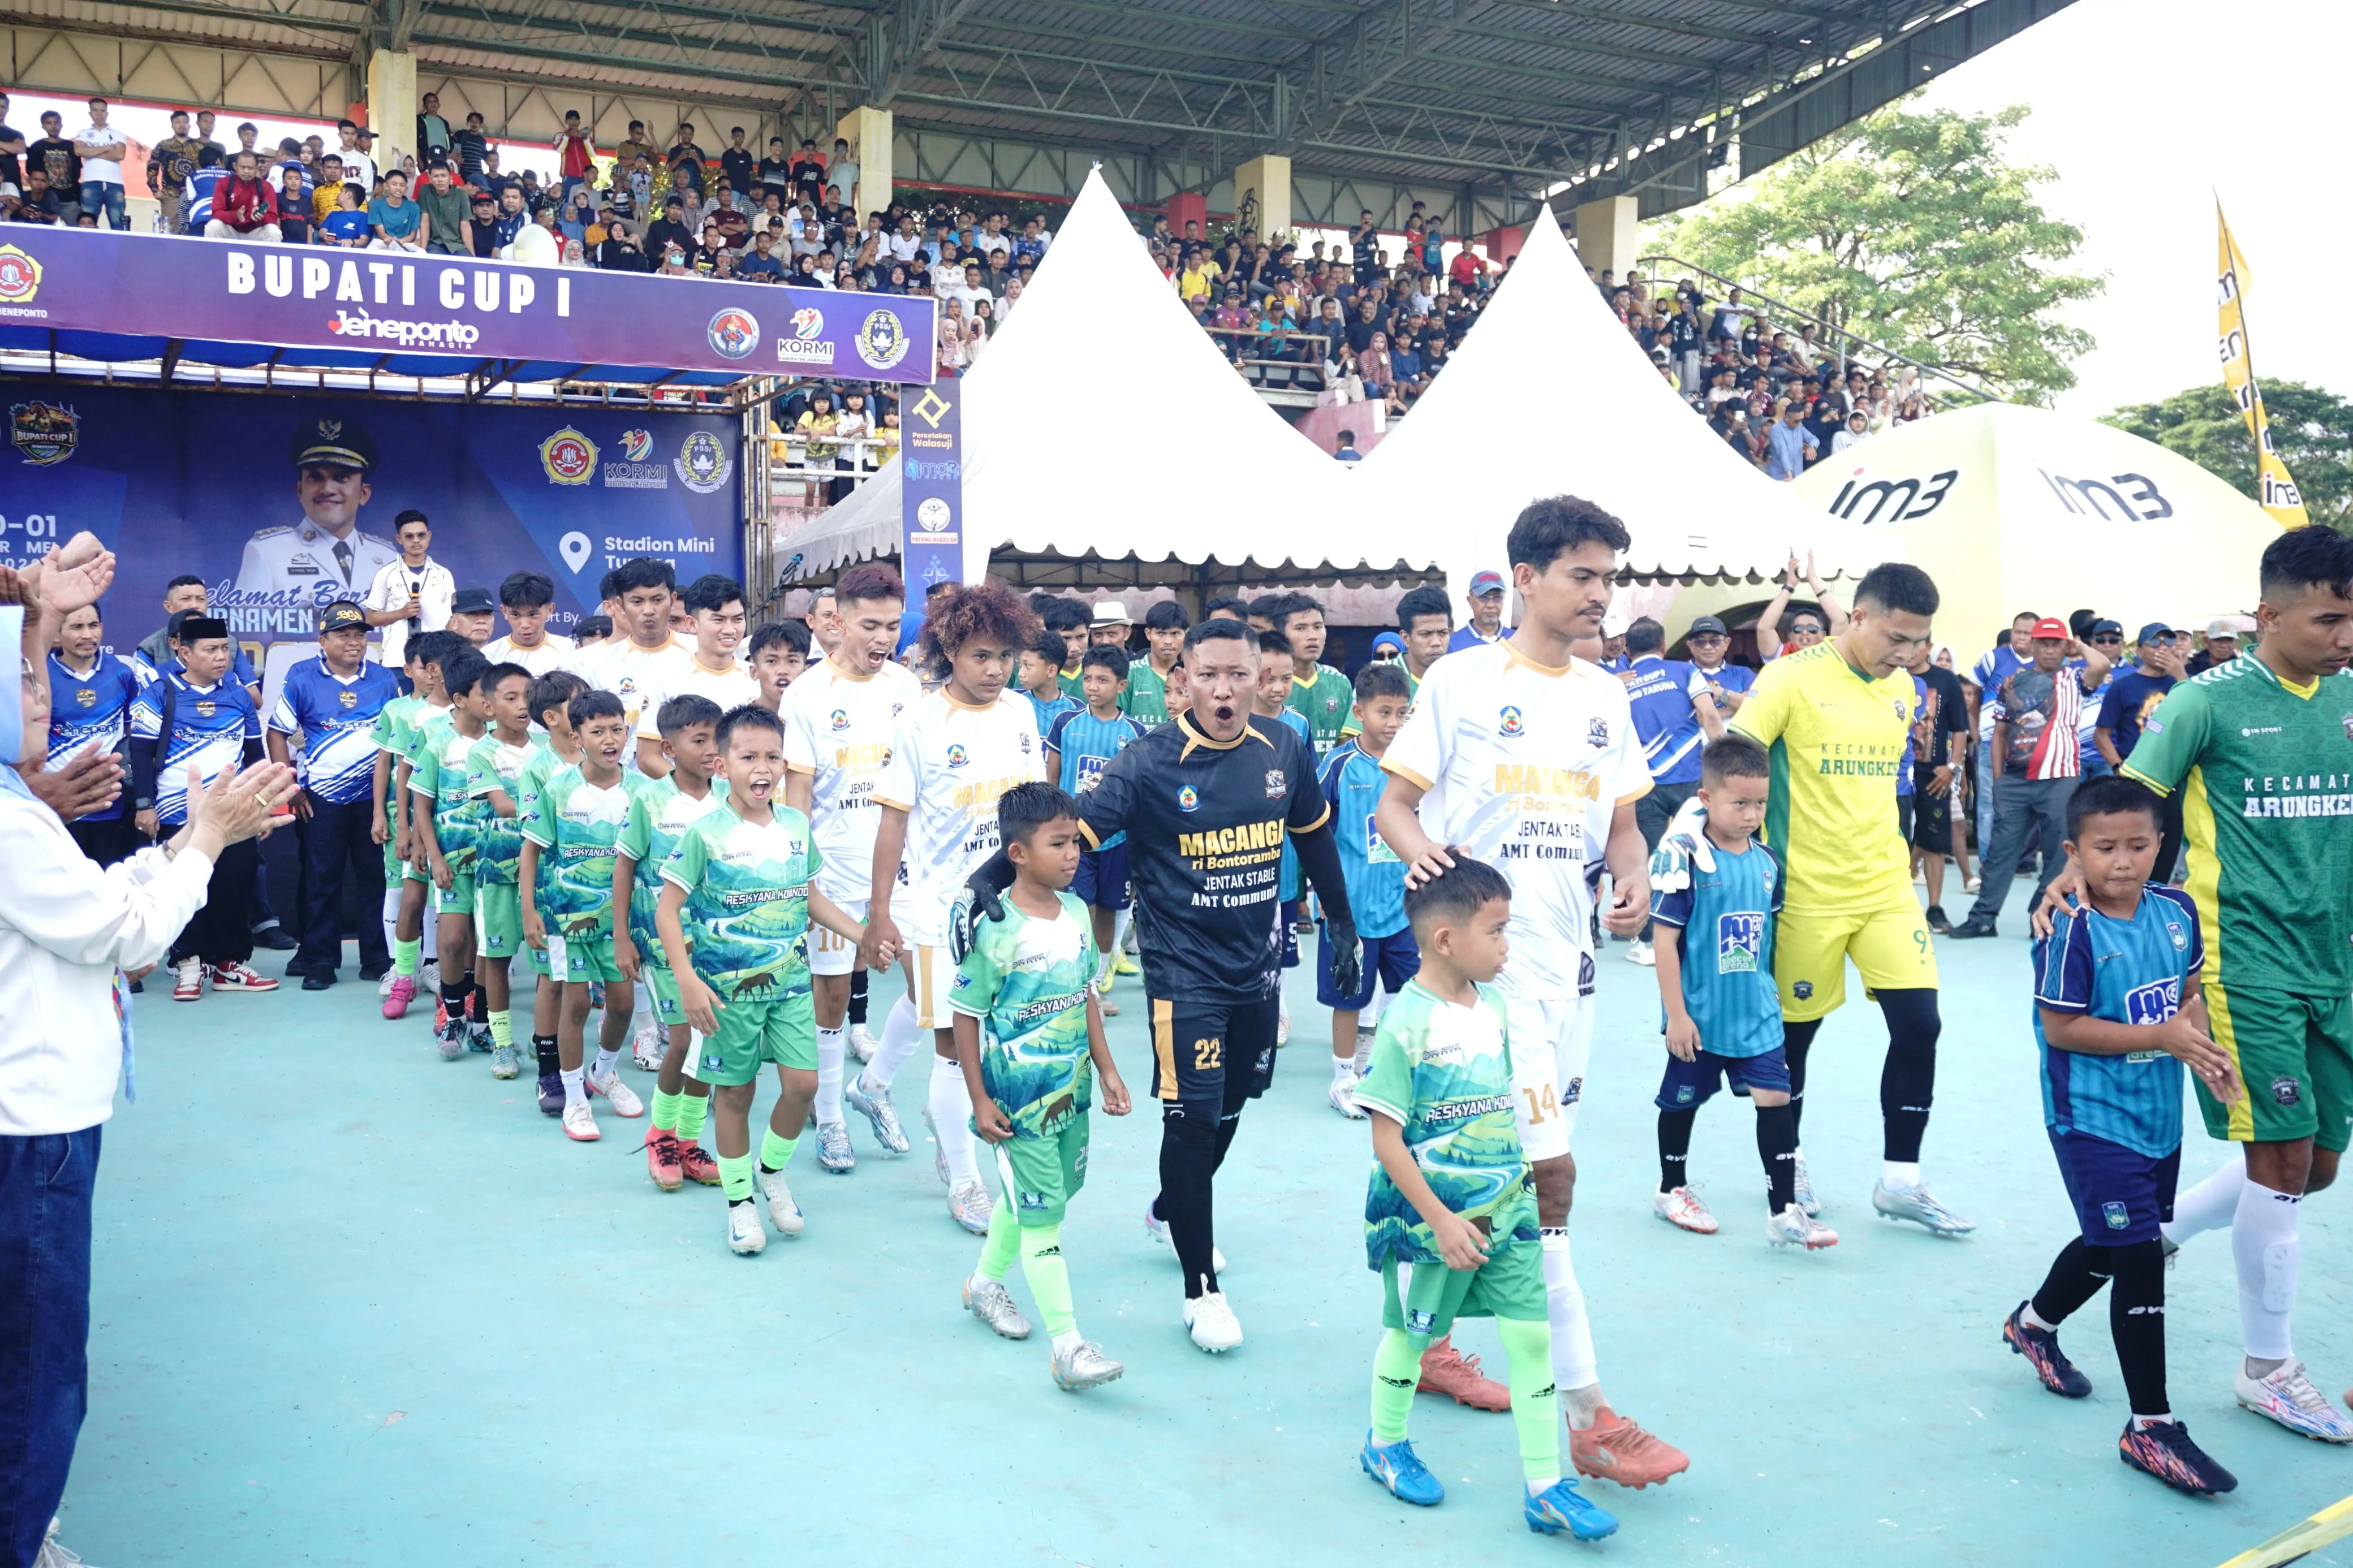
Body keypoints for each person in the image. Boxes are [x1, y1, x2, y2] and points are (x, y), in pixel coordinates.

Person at [1377, 496, 1684, 1489]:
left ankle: (1425, 1342)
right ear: (1526, 577)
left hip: (1571, 977)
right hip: (1486, 987)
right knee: (1546, 1185)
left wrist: (1633, 878)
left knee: (1501, 1178)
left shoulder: (1605, 696)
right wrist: (1438, 882)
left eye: (1609, 579)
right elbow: (1395, 807)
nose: (1601, 595)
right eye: (1583, 576)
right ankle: (1590, 1417)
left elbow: (1623, 829)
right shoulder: (1460, 680)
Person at [2, 549, 297, 1568]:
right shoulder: (8, 820)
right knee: (36, 1365)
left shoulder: (16, 804)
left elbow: (100, 902)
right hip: (31, 1127)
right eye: (26, 673)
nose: (45, 692)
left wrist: (183, 846)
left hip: (38, 1118)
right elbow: (123, 935)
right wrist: (205, 840)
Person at [964, 614, 1359, 1354]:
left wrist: (1341, 923)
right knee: (1193, 1118)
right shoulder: (1146, 763)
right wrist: (988, 877)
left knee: (1233, 1106)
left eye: (1238, 674)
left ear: (1258, 677)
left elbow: (1312, 837)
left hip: (1256, 969)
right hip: (1182, 974)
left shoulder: (1284, 748)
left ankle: (1171, 1207)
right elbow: (1072, 828)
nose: (1223, 690)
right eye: (1207, 675)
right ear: (1183, 680)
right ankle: (1199, 1289)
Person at [2055, 526, 2353, 1442]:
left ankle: (2162, 1234)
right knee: (2283, 1159)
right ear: (2269, 615)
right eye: (2328, 619)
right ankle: (2268, 1369)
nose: (2345, 637)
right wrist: (2073, 880)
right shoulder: (2205, 703)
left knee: (2317, 1165)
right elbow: (2125, 805)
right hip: (2239, 961)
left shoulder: (2349, 696)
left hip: (2335, 960)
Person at [1352, 857, 1619, 1542]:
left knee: (1529, 1336)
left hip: (1507, 1210)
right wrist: (1439, 1220)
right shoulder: (1403, 1024)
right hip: (1429, 1223)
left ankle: (1545, 1487)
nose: (1507, 945)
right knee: (1410, 1336)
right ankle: (1384, 1444)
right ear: (1445, 940)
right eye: (1496, 931)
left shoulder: (1496, 1007)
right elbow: (1386, 1140)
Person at [2002, 775, 2242, 1496]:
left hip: (2155, 1116)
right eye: (2104, 848)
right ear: (2072, 852)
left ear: (2160, 845)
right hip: (2089, 1118)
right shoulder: (2070, 926)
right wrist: (2162, 1037)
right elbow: (2060, 1028)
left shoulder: (2175, 912)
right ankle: (2150, 1428)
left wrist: (2203, 1053)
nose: (2122, 861)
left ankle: (2031, 1325)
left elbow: (2188, 999)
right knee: (2138, 1256)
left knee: (2114, 1243)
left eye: (2138, 845)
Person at [1727, 561, 1967, 1233]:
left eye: (1917, 641)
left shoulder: (1904, 689)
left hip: (1885, 886)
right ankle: (1790, 1164)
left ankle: (1900, 1182)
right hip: (1804, 892)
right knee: (1792, 1042)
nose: (1907, 653)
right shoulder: (1788, 677)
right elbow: (1734, 762)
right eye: (1895, 637)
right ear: (1856, 616)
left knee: (1919, 1025)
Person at [860, 582, 1046, 1235]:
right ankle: (965, 1179)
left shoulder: (1020, 712)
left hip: (1010, 907)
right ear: (949, 652)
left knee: (988, 1037)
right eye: (980, 656)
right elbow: (892, 823)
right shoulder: (917, 723)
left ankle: (882, 1090)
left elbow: (1034, 808)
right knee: (951, 1044)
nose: (995, 670)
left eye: (1005, 656)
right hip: (941, 910)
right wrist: (880, 913)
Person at [654, 703, 861, 1254]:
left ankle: (771, 1172)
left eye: (772, 756)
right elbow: (667, 910)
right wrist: (686, 980)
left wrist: (861, 933)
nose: (762, 767)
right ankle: (739, 1202)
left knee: (803, 1086)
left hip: (791, 986)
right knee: (735, 1094)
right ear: (722, 766)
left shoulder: (796, 825)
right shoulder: (705, 834)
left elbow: (809, 896)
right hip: (725, 994)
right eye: (748, 757)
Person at [949, 780, 1132, 1388]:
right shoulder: (995, 928)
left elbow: (1085, 996)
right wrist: (979, 1099)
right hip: (1016, 1104)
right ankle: (1068, 1347)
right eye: (1058, 843)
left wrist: (1106, 1068)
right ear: (1018, 853)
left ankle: (983, 1283)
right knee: (1044, 1217)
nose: (1073, 853)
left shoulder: (1078, 913)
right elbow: (965, 1016)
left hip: (1070, 1094)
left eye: (1075, 841)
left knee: (1042, 1197)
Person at [1645, 735, 1833, 1247]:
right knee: (1681, 1102)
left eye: (1760, 804)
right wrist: (1676, 1015)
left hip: (1757, 1014)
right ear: (1706, 798)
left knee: (1776, 1098)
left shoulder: (1768, 862)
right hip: (1701, 1017)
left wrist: (1771, 988)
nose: (1751, 814)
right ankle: (1670, 1188)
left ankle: (1784, 1211)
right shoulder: (1686, 859)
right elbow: (1664, 942)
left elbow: (1766, 936)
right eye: (1740, 803)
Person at [783, 564, 925, 1173]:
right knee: (835, 992)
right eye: (870, 625)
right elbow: (797, 792)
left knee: (928, 990)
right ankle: (830, 1117)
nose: (883, 638)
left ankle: (872, 1085)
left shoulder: (907, 687)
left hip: (904, 867)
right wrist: (800, 872)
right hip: (834, 870)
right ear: (837, 621)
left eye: (892, 626)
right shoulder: (805, 694)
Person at [127, 616, 278, 1002]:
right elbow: (141, 755)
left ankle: (230, 964)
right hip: (179, 815)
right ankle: (188, 964)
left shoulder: (239, 696)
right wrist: (145, 805)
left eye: (225, 649)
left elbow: (255, 755)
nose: (221, 657)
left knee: (235, 886)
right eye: (211, 650)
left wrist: (261, 806)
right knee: (184, 888)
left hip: (233, 816)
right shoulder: (159, 694)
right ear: (184, 653)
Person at [519, 689, 647, 1143]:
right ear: (577, 738)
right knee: (574, 1004)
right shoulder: (558, 789)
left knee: (623, 1004)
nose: (610, 739)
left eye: (617, 729)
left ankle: (603, 1073)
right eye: (598, 731)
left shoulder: (643, 791)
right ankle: (575, 1098)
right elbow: (531, 850)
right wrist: (529, 909)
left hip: (621, 924)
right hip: (565, 919)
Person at [616, 694, 730, 1187]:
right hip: (665, 945)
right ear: (669, 748)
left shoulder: (731, 796)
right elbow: (624, 866)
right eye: (699, 740)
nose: (711, 749)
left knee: (711, 1041)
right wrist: (622, 935)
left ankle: (689, 1140)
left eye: (716, 739)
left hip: (716, 946)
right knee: (684, 1039)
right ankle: (660, 1134)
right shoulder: (648, 799)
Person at [268, 601, 402, 989]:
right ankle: (320, 960)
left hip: (373, 798)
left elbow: (397, 740)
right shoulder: (303, 677)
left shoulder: (383, 679)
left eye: (359, 635)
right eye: (343, 635)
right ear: (323, 640)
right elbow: (277, 732)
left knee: (375, 877)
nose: (354, 642)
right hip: (321, 798)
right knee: (321, 879)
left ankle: (377, 958)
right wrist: (290, 787)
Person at [1949, 619, 2110, 938]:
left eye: (2056, 643)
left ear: (2065, 646)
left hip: (2060, 778)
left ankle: (2042, 915)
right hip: (2015, 780)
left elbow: (2102, 664)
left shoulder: (2075, 679)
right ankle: (1983, 918)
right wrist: (1999, 781)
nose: (2050, 650)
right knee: (2000, 852)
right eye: (2044, 643)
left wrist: (2079, 647)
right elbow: (2000, 733)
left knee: (2057, 853)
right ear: (2032, 646)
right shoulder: (2012, 682)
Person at [1318, 663, 1424, 1133]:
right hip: (1352, 910)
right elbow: (1313, 831)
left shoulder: (1416, 765)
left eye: (1403, 713)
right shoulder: (1338, 766)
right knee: (1349, 996)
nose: (1394, 722)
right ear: (1359, 712)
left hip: (1406, 909)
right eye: (1384, 712)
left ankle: (1390, 1070)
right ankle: (1344, 1078)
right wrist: (1323, 892)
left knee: (1409, 994)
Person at [1042, 646, 1147, 1013]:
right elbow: (1052, 779)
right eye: (1088, 679)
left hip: (1117, 841)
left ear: (1121, 686)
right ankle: (1079, 989)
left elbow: (1138, 791)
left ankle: (1097, 983)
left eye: (1103, 680)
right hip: (1075, 840)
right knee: (1079, 912)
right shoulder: (1066, 723)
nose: (1093, 686)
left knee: (1107, 913)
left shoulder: (1136, 732)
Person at [237, 416, 402, 633]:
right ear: (300, 490)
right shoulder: (267, 552)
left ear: (364, 493)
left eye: (342, 478)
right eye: (316, 477)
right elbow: (249, 636)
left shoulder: (387, 558)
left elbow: (402, 633)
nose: (327, 489)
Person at [409, 648, 495, 1059]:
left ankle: (482, 1021)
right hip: (451, 862)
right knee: (453, 938)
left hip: (496, 865)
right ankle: (453, 1012)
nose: (492, 702)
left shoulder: (502, 742)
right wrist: (435, 856)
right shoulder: (438, 743)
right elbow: (422, 805)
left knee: (487, 944)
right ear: (460, 699)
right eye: (485, 694)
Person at [454, 662, 535, 1077]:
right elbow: (503, 806)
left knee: (550, 965)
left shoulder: (548, 747)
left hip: (544, 873)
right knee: (498, 957)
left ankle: (546, 1037)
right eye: (511, 698)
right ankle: (502, 1043)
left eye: (528, 696)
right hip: (498, 872)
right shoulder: (481, 752)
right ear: (488, 707)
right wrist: (550, 808)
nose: (523, 706)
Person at [1618, 617, 1704, 967]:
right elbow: (1710, 716)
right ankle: (1698, 938)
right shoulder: (1686, 671)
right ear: (1664, 646)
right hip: (1690, 778)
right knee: (1697, 856)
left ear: (1627, 650)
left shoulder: (1616, 685)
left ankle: (1649, 942)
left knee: (1651, 861)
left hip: (1644, 784)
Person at [44, 602, 143, 870]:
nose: (87, 635)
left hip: (111, 805)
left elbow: (133, 732)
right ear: (57, 633)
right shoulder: (41, 674)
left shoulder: (121, 673)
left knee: (109, 882)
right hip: (58, 808)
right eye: (77, 627)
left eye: (93, 625)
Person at [632, 574, 757, 780]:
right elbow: (648, 757)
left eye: (737, 619)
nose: (730, 630)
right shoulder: (666, 679)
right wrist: (701, 790)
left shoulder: (757, 678)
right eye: (718, 620)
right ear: (692, 624)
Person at [2093, 623, 2188, 883]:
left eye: (2169, 642)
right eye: (2155, 643)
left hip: (2174, 780)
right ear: (2140, 650)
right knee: (2134, 851)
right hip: (2135, 779)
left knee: (2167, 852)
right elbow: (2102, 735)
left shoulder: (2184, 684)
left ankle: (2156, 900)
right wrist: (2119, 769)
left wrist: (2181, 675)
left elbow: (2200, 715)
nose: (2163, 648)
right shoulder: (2123, 687)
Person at [1907, 639, 1972, 934]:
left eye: (1917, 644)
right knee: (1892, 840)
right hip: (1894, 774)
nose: (1910, 650)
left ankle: (1934, 907)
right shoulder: (1887, 673)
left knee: (1934, 839)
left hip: (1934, 774)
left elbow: (1960, 728)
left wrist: (1953, 768)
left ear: (1928, 646)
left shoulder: (1946, 680)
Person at [361, 508, 453, 671]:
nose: (416, 541)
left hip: (437, 659)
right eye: (409, 536)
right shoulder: (386, 574)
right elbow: (370, 619)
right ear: (399, 539)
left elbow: (453, 619)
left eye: (421, 535)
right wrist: (401, 613)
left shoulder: (443, 574)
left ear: (429, 536)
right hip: (397, 659)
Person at [1275, 594, 1352, 758]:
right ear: (1281, 634)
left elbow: (1344, 748)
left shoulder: (1340, 683)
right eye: (1301, 628)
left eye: (1318, 627)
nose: (1312, 636)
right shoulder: (1267, 684)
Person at [482, 572, 575, 676]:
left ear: (549, 610)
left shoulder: (570, 650)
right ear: (504, 612)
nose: (525, 625)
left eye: (533, 614)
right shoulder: (489, 656)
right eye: (516, 615)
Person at [1682, 615, 1751, 738]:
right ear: (1691, 646)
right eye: (1700, 642)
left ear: (1726, 643)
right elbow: (1690, 718)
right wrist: (1737, 705)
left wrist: (1721, 694)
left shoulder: (1744, 673)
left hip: (1740, 745)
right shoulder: (1681, 674)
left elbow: (1757, 706)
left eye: (1714, 641)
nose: (1708, 647)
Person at [1123, 601, 1188, 725]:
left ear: (1186, 634)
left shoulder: (1192, 677)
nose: (1168, 641)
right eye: (1160, 633)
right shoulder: (1130, 674)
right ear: (1148, 634)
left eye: (1175, 634)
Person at [69, 97, 126, 230]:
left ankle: (119, 245)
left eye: (102, 111)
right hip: (91, 182)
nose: (99, 114)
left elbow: (119, 155)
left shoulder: (118, 134)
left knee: (118, 222)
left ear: (107, 113)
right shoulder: (83, 133)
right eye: (96, 111)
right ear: (90, 113)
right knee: (87, 222)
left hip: (114, 184)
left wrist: (91, 152)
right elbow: (79, 151)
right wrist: (106, 148)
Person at [1445, 569, 1511, 652]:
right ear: (1470, 601)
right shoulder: (1452, 643)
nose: (1491, 605)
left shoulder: (1518, 639)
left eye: (1497, 597)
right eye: (1483, 597)